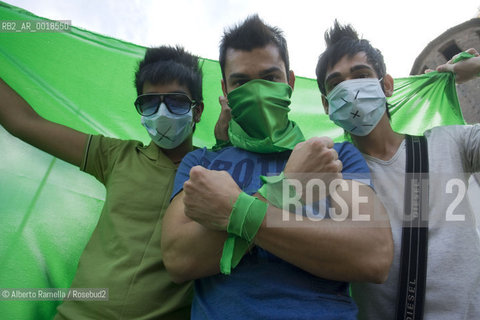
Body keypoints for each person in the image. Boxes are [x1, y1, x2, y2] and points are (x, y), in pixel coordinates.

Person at [161, 15, 393, 319]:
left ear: (290, 82)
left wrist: (233, 210)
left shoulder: (336, 157)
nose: (257, 91)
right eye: (241, 82)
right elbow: (179, 259)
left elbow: (372, 255)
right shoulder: (201, 163)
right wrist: (286, 190)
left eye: (270, 78)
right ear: (225, 89)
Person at [0, 45, 206, 319]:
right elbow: (22, 122)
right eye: (149, 103)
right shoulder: (115, 156)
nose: (162, 112)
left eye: (177, 101)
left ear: (198, 111)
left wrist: (231, 141)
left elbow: (280, 199)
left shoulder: (218, 171)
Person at [315, 21, 480, 319]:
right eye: (336, 83)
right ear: (327, 105)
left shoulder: (451, 142)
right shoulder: (329, 177)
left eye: (361, 75)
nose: (350, 90)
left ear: (387, 85)